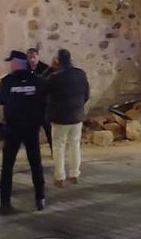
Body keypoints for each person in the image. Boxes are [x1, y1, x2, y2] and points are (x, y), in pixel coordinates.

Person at [0, 50, 46, 212]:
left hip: (13, 129)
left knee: (7, 166)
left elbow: (0, 100)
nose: (10, 64)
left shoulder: (7, 81)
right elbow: (43, 102)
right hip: (31, 128)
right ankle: (40, 198)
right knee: (35, 163)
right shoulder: (37, 80)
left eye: (11, 61)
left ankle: (5, 201)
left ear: (17, 62)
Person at [44, 49, 90, 188]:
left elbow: (42, 88)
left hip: (60, 117)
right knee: (75, 145)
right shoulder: (80, 73)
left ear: (57, 61)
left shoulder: (55, 77)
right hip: (77, 115)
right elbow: (86, 94)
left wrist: (49, 69)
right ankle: (75, 174)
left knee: (59, 146)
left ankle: (60, 176)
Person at [27, 48, 52, 154]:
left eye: (34, 57)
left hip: (44, 105)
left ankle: (54, 151)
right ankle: (34, 152)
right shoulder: (25, 69)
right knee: (33, 132)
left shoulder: (46, 69)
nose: (32, 60)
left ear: (38, 57)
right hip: (31, 106)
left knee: (49, 130)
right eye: (29, 57)